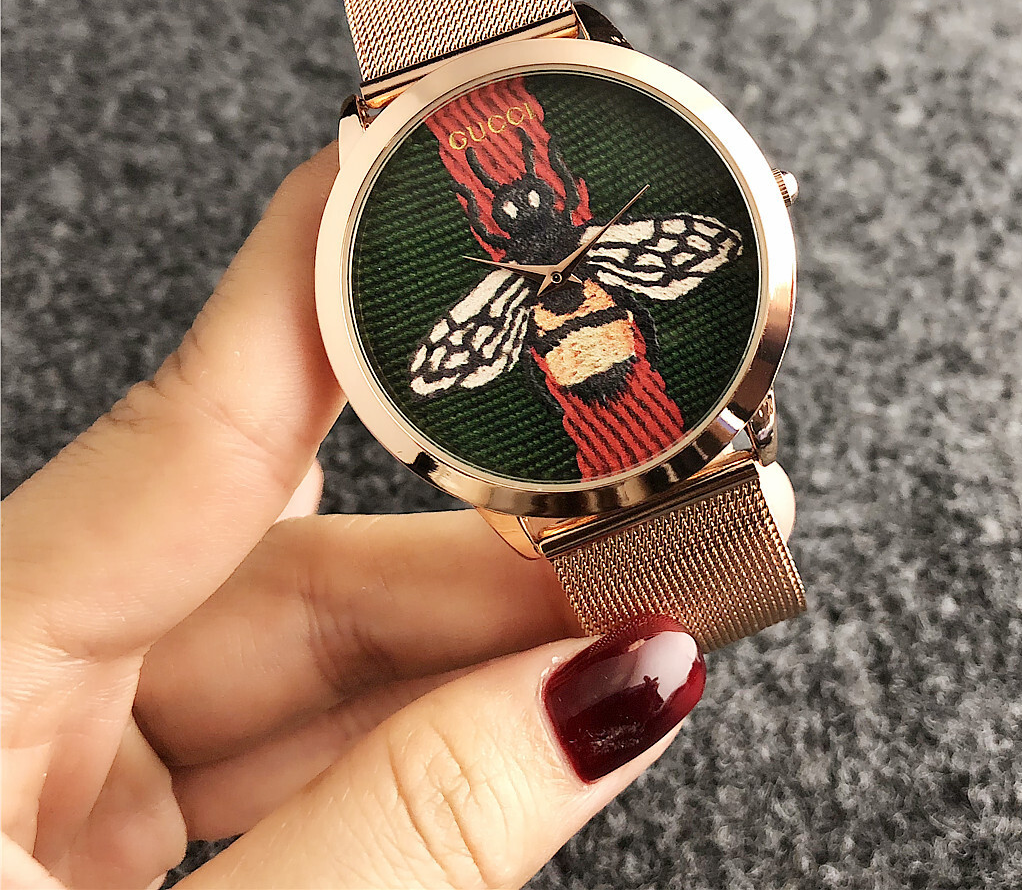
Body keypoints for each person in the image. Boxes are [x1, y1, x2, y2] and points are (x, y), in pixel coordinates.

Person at [1, 146, 795, 889]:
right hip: (609, 418)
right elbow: (704, 248)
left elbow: (455, 357)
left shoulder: (498, 292)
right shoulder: (617, 241)